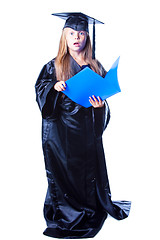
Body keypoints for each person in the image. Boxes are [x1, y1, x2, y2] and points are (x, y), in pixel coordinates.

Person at [35, 12, 131, 239]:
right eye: (71, 33)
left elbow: (103, 97)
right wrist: (54, 89)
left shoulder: (95, 66)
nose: (76, 37)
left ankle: (90, 208)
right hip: (61, 133)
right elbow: (42, 93)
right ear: (64, 37)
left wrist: (99, 106)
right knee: (64, 172)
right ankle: (67, 213)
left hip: (86, 131)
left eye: (81, 33)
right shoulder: (54, 66)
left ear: (87, 36)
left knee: (88, 171)